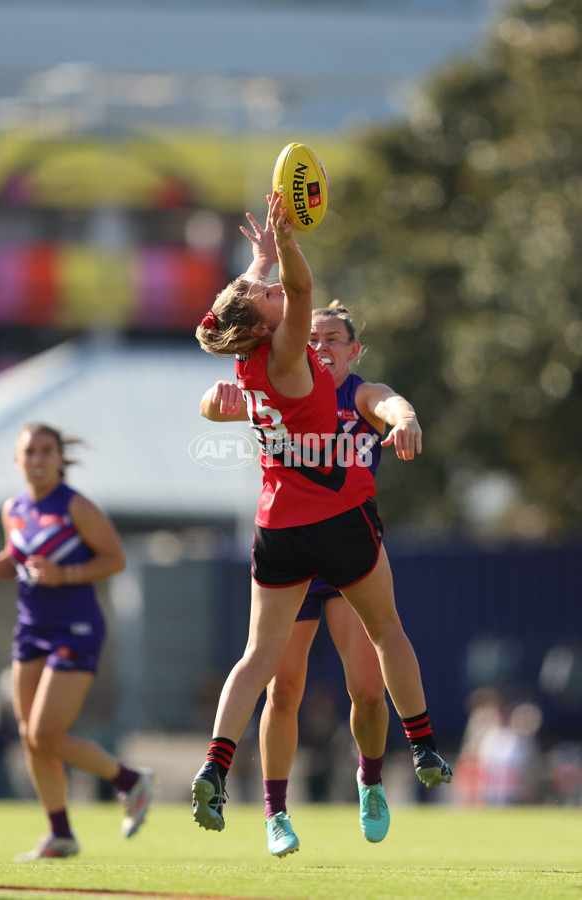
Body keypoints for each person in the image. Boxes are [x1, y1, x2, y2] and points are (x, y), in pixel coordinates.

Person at [192, 191, 451, 838]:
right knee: (365, 643)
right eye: (313, 329)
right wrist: (286, 248)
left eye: (335, 338)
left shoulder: (266, 359)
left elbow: (389, 403)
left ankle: (220, 767)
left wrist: (258, 262)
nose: (317, 335)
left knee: (295, 667)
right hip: (335, 528)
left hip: (277, 530)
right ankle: (416, 748)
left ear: (354, 351)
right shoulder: (288, 354)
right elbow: (296, 290)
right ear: (283, 326)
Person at [0, 423, 154, 860]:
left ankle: (129, 779)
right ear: (17, 461)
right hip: (31, 629)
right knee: (31, 736)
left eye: (46, 451)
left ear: (61, 458)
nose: (38, 459)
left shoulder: (77, 507)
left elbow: (114, 559)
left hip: (76, 629)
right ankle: (60, 834)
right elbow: (13, 562)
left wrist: (67, 574)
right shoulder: (14, 508)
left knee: (46, 733)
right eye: (30, 452)